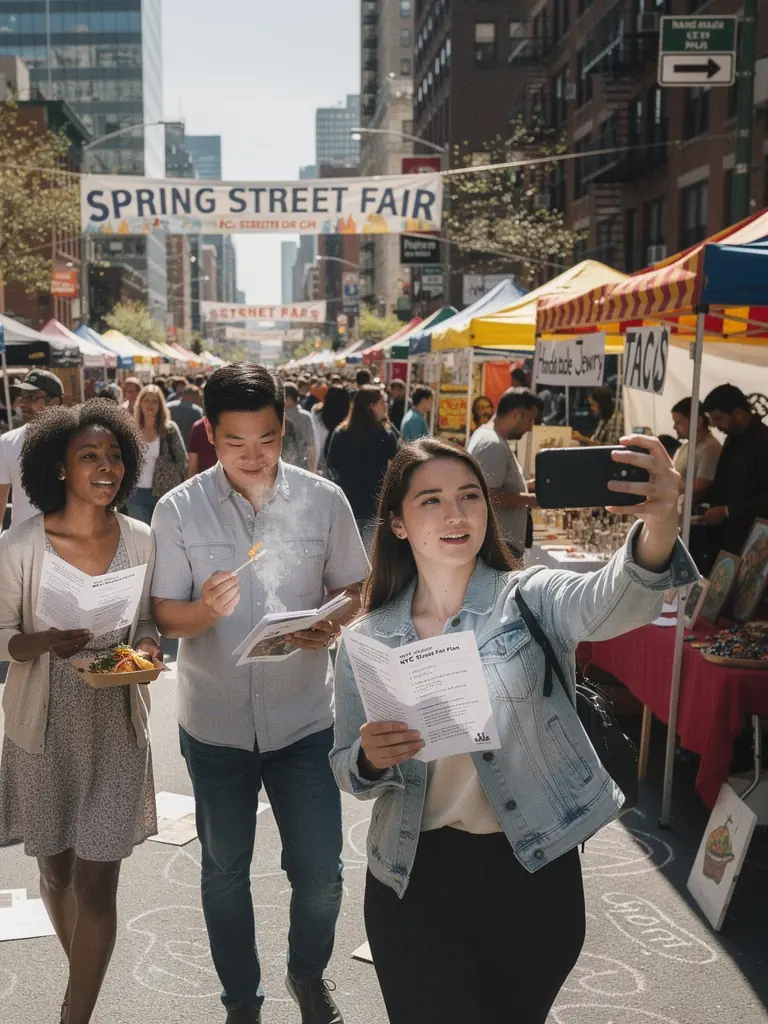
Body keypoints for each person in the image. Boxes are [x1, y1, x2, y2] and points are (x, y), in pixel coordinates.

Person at [331, 435, 697, 1023]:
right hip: (413, 876)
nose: (455, 514)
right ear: (397, 523)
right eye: (431, 500)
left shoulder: (531, 596)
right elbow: (348, 768)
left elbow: (616, 601)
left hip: (529, 870)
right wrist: (369, 758)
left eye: (469, 495)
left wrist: (659, 524)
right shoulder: (368, 635)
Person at [150, 364, 368, 1024]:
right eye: (237, 441)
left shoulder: (322, 501)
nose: (254, 457)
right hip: (214, 723)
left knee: (323, 874)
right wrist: (204, 613)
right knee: (224, 873)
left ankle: (308, 974)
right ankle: (241, 1001)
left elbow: (356, 589)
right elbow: (165, 614)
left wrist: (331, 620)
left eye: (268, 440)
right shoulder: (177, 508)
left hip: (305, 717)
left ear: (287, 431)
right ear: (211, 434)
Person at [0, 401, 163, 1024]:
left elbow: (145, 621)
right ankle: (80, 972)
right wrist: (41, 642)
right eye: (89, 456)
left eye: (115, 455)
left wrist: (146, 648)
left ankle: (73, 1012)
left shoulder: (141, 539)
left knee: (97, 882)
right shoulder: (20, 545)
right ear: (58, 467)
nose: (106, 466)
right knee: (57, 873)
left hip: (116, 717)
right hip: (44, 722)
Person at [0, 370, 64, 579]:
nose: (24, 403)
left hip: (67, 552)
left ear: (54, 402)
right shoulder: (8, 442)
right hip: (22, 552)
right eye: (22, 397)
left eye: (33, 397)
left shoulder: (74, 442)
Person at [694, 384, 768, 557]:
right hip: (726, 540)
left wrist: (728, 511)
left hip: (752, 543)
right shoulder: (732, 439)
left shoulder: (763, 442)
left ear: (738, 413)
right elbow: (726, 481)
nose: (715, 426)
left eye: (719, 419)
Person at [467, 388, 542, 558]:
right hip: (498, 547)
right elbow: (490, 497)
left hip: (500, 545)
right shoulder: (492, 444)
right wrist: (531, 500)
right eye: (530, 420)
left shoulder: (489, 437)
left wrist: (529, 485)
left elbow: (495, 483)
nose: (530, 427)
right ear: (515, 415)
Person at [326, 384, 399, 549]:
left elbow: (331, 465)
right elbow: (396, 467)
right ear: (372, 406)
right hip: (374, 504)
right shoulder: (385, 435)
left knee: (346, 555)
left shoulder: (340, 433)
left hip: (345, 503)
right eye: (383, 402)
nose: (386, 406)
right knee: (369, 558)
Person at [128, 385, 187, 526]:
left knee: (162, 537)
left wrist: (168, 472)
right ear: (140, 404)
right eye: (146, 400)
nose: (150, 405)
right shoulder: (131, 430)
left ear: (160, 405)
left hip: (164, 493)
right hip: (136, 493)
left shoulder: (169, 429)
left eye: (154, 401)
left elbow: (182, 460)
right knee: (140, 538)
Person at [312, 385, 351, 471]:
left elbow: (316, 442)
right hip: (342, 467)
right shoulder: (348, 421)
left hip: (321, 467)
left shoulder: (317, 415)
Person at [284, 383, 317, 472]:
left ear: (289, 399)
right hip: (302, 466)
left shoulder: (280, 415)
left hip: (282, 467)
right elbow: (311, 445)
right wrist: (313, 471)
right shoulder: (306, 416)